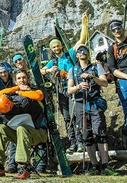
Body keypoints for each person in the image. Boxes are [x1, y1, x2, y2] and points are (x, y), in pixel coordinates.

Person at [0, 69, 48, 179]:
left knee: (22, 128)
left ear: (28, 79)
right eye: (19, 78)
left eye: (24, 77)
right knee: (0, 128)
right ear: (15, 80)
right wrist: (17, 89)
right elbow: (0, 94)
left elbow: (39, 96)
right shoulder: (13, 92)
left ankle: (24, 167)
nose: (22, 80)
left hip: (38, 133)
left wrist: (23, 92)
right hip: (20, 135)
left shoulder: (35, 91)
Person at [41, 12, 88, 153]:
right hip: (61, 91)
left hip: (74, 88)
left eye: (58, 46)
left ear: (61, 46)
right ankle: (72, 142)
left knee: (76, 115)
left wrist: (84, 24)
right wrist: (49, 71)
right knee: (67, 117)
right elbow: (40, 70)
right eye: (54, 47)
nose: (56, 48)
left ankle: (80, 142)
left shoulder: (69, 54)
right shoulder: (53, 62)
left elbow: (82, 40)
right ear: (52, 49)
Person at [67, 43, 118, 176]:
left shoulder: (97, 67)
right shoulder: (72, 69)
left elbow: (105, 83)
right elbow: (69, 89)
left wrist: (92, 77)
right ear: (77, 55)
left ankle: (105, 165)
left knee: (100, 133)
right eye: (80, 51)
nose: (82, 52)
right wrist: (78, 87)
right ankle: (95, 165)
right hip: (80, 105)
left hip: (94, 104)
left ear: (88, 53)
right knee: (86, 136)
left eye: (85, 50)